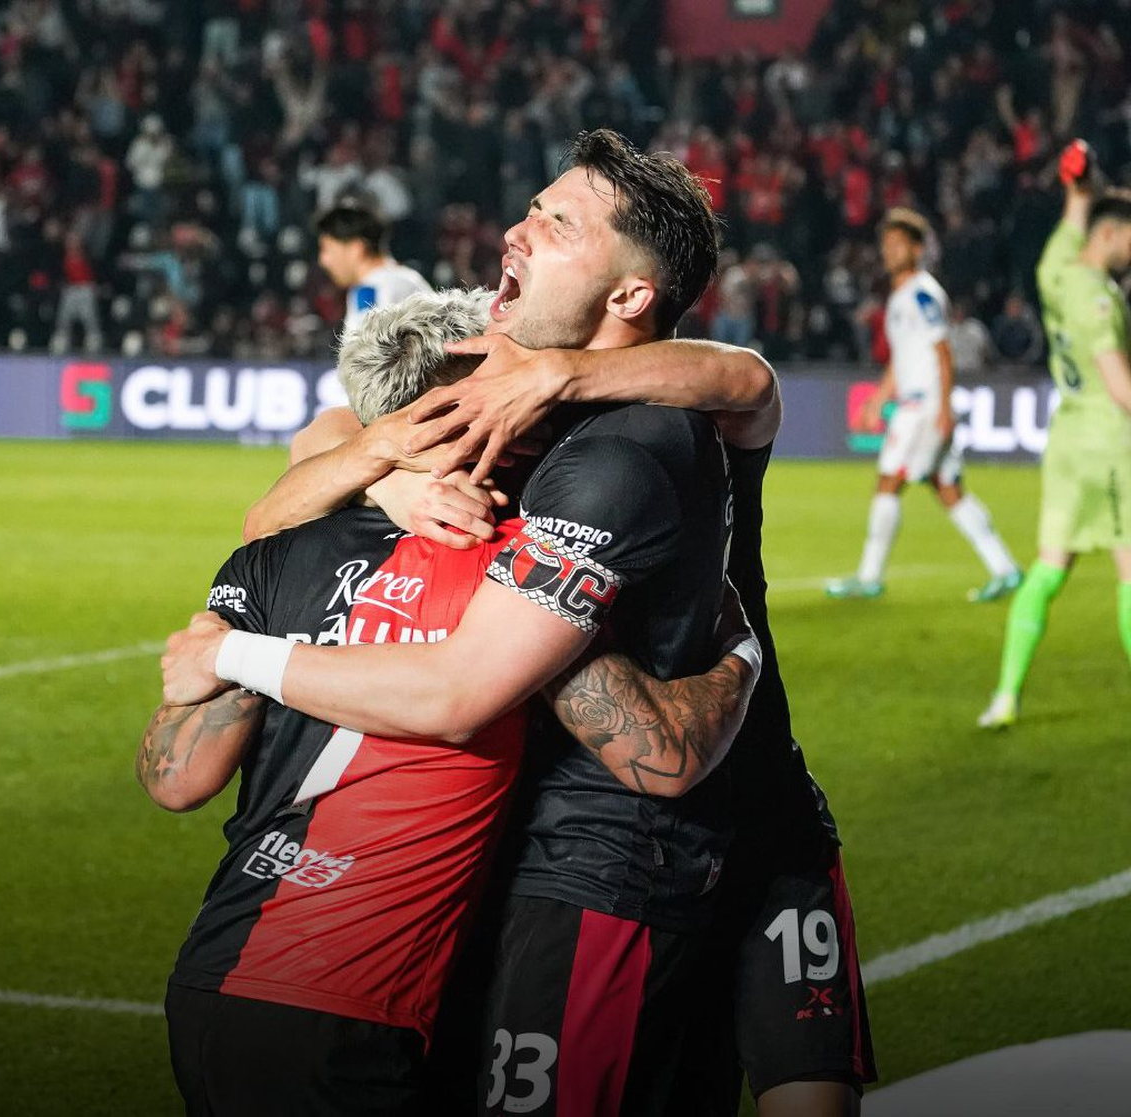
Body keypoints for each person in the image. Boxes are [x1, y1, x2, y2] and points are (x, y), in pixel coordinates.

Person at [166, 129, 873, 1116]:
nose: (518, 230)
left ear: (629, 295)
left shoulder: (644, 424)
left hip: (732, 816)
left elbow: (750, 381)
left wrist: (563, 379)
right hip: (601, 844)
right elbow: (308, 460)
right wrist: (395, 470)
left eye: (557, 221)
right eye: (530, 210)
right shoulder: (496, 384)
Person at [143, 287, 763, 1116]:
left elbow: (177, 777)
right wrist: (742, 655)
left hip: (214, 978)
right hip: (352, 1012)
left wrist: (231, 649)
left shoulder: (278, 547)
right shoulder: (517, 579)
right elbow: (663, 753)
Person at [978, 143, 1131, 729]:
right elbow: (1119, 384)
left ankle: (1007, 697)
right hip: (1108, 440)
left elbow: (1077, 209)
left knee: (1048, 567)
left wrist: (1081, 176)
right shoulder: (1096, 297)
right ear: (1113, 235)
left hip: (1065, 440)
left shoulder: (1055, 268)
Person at [826, 208, 1022, 603]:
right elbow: (903, 360)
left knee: (889, 482)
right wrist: (877, 402)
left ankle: (869, 577)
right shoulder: (901, 295)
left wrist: (944, 408)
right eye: (887, 245)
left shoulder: (921, 292)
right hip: (918, 404)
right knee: (948, 488)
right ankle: (1005, 569)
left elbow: (942, 350)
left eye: (899, 244)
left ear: (917, 249)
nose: (890, 252)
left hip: (923, 408)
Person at [316, 201, 431, 333]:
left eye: (327, 249)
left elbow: (367, 351)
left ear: (356, 249)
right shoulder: (409, 278)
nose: (323, 260)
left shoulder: (369, 292)